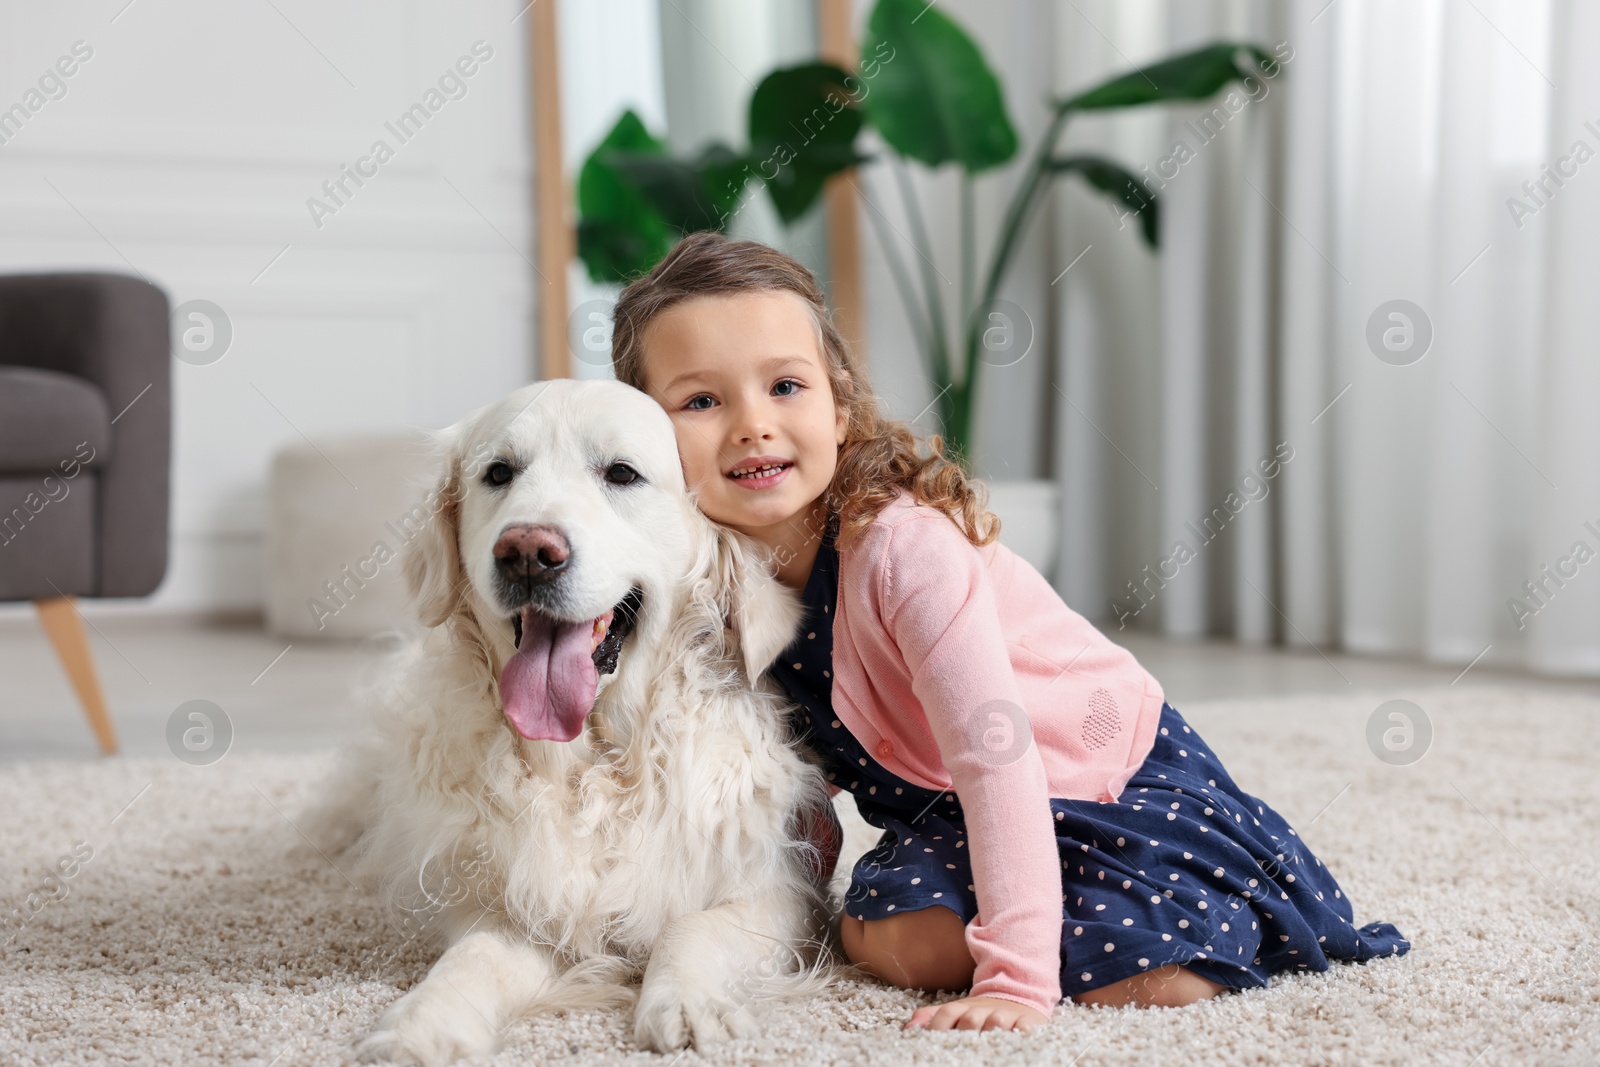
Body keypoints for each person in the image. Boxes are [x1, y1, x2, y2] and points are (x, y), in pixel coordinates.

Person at [609, 230, 1410, 1033]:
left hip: (1089, 771)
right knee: (880, 937)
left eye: (785, 385)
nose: (753, 425)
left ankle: (1189, 917)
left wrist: (1018, 978)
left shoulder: (902, 549)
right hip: (951, 810)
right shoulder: (706, 577)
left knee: (1143, 976)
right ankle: (1051, 906)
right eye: (702, 401)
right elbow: (785, 773)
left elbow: (998, 752)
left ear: (840, 404)